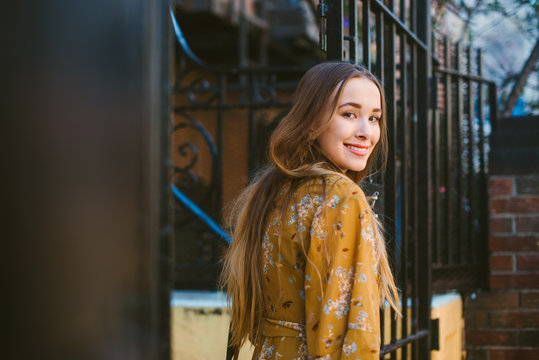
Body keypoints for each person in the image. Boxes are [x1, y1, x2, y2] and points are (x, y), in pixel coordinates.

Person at [220, 61, 400, 359]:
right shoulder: (340, 196)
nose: (366, 132)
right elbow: (348, 329)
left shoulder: (271, 191)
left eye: (374, 118)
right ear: (311, 119)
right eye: (349, 114)